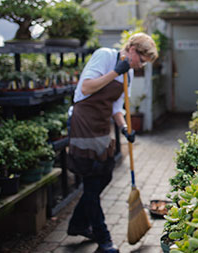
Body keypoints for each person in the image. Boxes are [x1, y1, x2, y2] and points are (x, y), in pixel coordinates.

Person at [66, 33, 158, 253]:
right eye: (141, 60)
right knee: (91, 180)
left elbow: (117, 108)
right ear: (133, 50)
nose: (141, 65)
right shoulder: (105, 56)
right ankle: (103, 238)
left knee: (104, 176)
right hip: (83, 121)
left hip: (101, 125)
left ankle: (77, 224)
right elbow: (86, 88)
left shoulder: (129, 75)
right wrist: (116, 71)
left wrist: (125, 128)